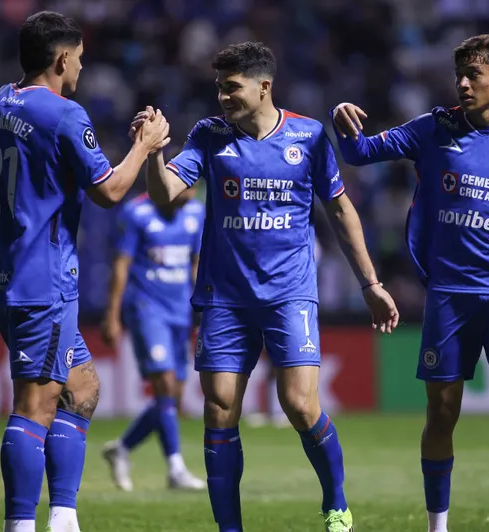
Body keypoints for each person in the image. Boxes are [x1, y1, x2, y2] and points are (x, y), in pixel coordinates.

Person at [135, 41, 399, 532]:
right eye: (218, 88)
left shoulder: (309, 136)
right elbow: (167, 194)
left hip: (288, 294)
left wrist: (371, 283)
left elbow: (341, 212)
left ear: (264, 86)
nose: (222, 97)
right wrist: (153, 152)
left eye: (231, 87)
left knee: (299, 404)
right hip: (224, 298)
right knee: (219, 412)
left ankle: (336, 503)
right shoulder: (210, 135)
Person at [331, 34, 489, 532]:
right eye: (460, 76)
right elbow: (361, 153)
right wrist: (343, 122)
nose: (464, 84)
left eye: (475, 75)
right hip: (449, 296)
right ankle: (437, 525)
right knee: (442, 411)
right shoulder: (433, 128)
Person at [0, 11, 168, 532]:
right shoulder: (64, 114)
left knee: (82, 387)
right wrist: (146, 145)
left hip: (6, 276)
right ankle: (20, 525)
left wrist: (37, 182)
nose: (81, 65)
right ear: (61, 58)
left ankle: (64, 518)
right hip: (44, 280)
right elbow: (111, 192)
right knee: (35, 405)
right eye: (78, 57)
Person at [99, 186, 206, 491]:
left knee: (171, 396)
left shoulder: (197, 213)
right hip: (146, 309)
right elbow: (121, 266)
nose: (193, 189)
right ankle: (175, 468)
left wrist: (207, 309)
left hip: (180, 311)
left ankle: (122, 448)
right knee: (165, 384)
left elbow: (196, 264)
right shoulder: (137, 213)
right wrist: (112, 314)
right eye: (186, 182)